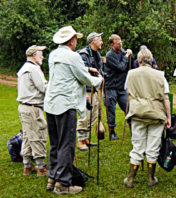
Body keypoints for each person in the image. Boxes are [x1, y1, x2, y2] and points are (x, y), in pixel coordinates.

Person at [44, 26, 103, 195]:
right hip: (65, 105)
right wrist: (98, 80)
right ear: (71, 41)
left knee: (55, 143)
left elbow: (69, 72)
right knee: (66, 145)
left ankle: (52, 178)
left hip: (51, 104)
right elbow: (84, 79)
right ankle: (63, 183)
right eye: (75, 39)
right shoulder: (73, 56)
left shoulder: (54, 54)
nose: (76, 41)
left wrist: (86, 69)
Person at [123, 47, 171, 188]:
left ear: (139, 60)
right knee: (153, 147)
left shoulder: (131, 74)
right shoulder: (160, 75)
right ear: (151, 60)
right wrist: (169, 117)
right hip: (156, 114)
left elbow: (128, 93)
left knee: (137, 146)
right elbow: (166, 98)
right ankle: (151, 178)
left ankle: (130, 179)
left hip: (138, 114)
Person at [17, 45, 49, 177]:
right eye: (40, 54)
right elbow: (43, 87)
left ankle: (27, 166)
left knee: (28, 137)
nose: (42, 56)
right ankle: (41, 167)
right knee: (37, 135)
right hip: (33, 108)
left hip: (24, 107)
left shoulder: (23, 68)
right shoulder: (34, 69)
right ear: (34, 55)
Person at [76, 32, 104, 151]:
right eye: (100, 39)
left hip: (96, 89)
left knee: (93, 115)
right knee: (85, 115)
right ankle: (80, 140)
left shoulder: (97, 54)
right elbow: (82, 73)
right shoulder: (83, 54)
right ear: (93, 41)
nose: (102, 42)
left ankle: (86, 138)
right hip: (86, 90)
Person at [104, 34, 133, 140]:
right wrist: (126, 57)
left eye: (121, 42)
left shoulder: (122, 52)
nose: (120, 44)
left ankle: (133, 129)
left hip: (121, 87)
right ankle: (112, 132)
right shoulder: (109, 55)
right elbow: (121, 67)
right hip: (111, 86)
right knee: (111, 110)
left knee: (129, 107)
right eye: (118, 43)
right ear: (112, 44)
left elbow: (130, 64)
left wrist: (130, 55)